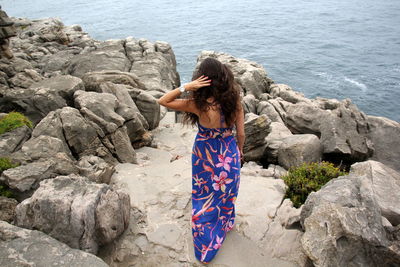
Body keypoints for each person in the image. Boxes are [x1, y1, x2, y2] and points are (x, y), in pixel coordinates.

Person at [158, 57, 245, 263]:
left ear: (202, 80)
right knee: (225, 193)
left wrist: (186, 87)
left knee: (204, 194)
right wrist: (239, 151)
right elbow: (240, 134)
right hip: (228, 154)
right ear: (224, 77)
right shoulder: (235, 103)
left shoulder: (197, 106)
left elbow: (163, 101)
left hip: (204, 155)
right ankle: (224, 224)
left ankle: (206, 242)